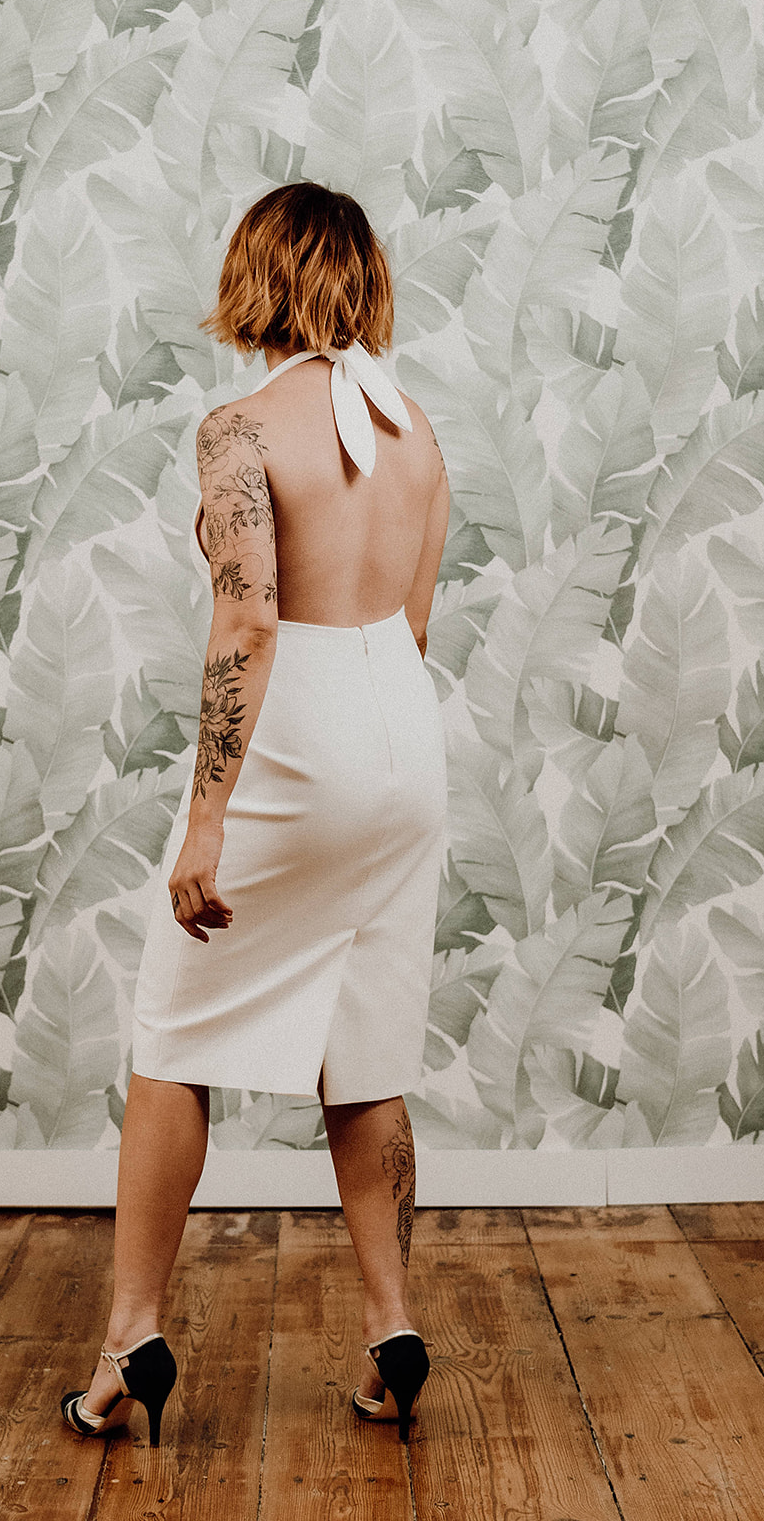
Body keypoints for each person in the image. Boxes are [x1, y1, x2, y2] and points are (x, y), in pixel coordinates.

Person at [61, 182, 450, 1448]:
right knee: (365, 1049)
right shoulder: (414, 432)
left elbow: (247, 623)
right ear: (359, 277)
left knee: (173, 1031)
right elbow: (414, 626)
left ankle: (129, 1341)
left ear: (256, 278)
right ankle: (391, 1333)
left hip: (301, 739)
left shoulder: (238, 430)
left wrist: (206, 819)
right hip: (404, 740)